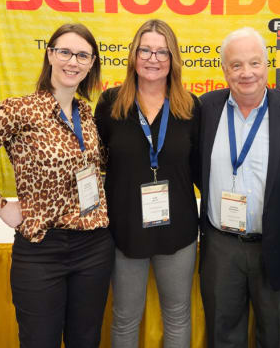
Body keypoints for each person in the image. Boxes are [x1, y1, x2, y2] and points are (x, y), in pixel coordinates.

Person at [0, 23, 114, 348]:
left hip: (94, 246)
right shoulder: (21, 110)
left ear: (91, 63)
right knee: (39, 341)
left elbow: (103, 163)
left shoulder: (86, 113)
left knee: (86, 339)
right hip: (42, 249)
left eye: (82, 55)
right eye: (65, 52)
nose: (72, 62)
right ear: (50, 55)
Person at [198, 27, 280, 348]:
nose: (246, 73)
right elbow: (195, 167)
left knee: (275, 333)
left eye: (254, 63)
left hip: (276, 244)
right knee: (222, 332)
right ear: (224, 71)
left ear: (267, 65)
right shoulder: (205, 109)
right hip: (221, 246)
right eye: (236, 65)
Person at [94, 19, 200, 347]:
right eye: (146, 50)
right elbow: (96, 162)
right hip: (125, 229)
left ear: (173, 59)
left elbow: (199, 168)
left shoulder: (191, 107)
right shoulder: (111, 103)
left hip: (178, 229)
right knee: (125, 317)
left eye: (162, 52)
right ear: (133, 55)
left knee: (178, 313)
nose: (153, 59)